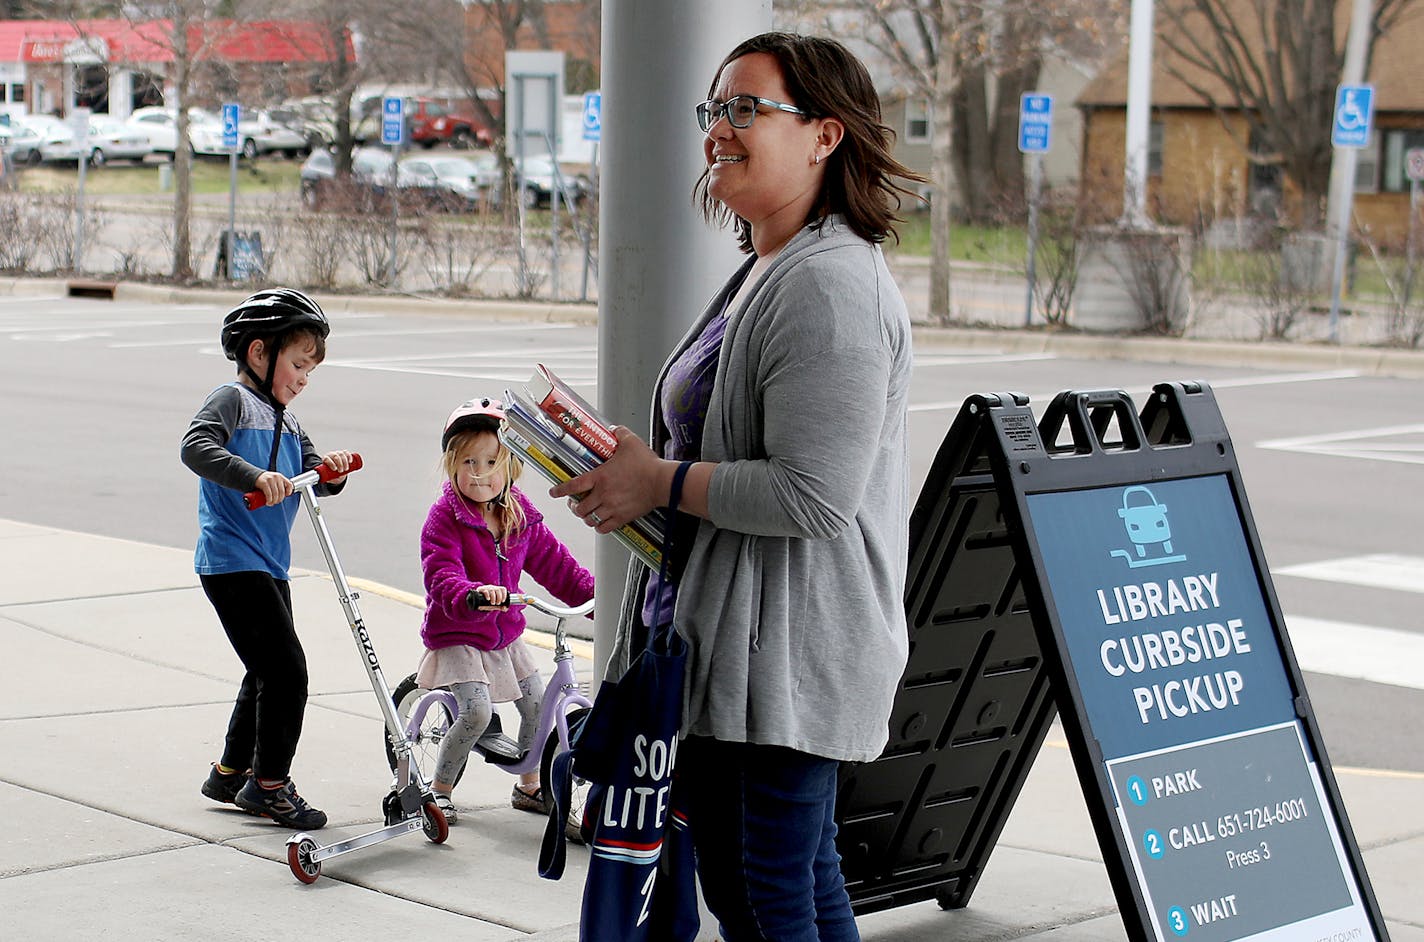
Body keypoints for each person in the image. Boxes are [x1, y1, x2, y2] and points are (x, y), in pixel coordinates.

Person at [550, 31, 922, 942]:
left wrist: (657, 480)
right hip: (747, 655)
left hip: (786, 666)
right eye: (715, 108)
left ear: (825, 137)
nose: (721, 126)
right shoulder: (770, 266)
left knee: (761, 894)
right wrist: (634, 469)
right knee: (793, 880)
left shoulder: (829, 286)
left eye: (747, 107)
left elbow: (812, 495)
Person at [181, 288, 354, 829]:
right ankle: (269, 785)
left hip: (268, 563)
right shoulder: (231, 401)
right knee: (287, 673)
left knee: (264, 670)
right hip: (232, 561)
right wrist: (254, 476)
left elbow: (312, 474)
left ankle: (231, 773)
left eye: (310, 370)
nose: (304, 378)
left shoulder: (289, 420)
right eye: (298, 364)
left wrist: (333, 471)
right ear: (259, 354)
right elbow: (195, 447)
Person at [417, 396, 594, 823]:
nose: (480, 474)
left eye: (492, 463)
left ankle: (528, 786)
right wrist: (471, 594)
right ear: (451, 465)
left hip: (505, 635)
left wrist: (595, 600)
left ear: (511, 466)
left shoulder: (519, 517)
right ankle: (438, 789)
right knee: (476, 711)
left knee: (539, 707)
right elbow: (440, 574)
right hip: (460, 631)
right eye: (469, 463)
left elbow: (558, 567)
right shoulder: (445, 517)